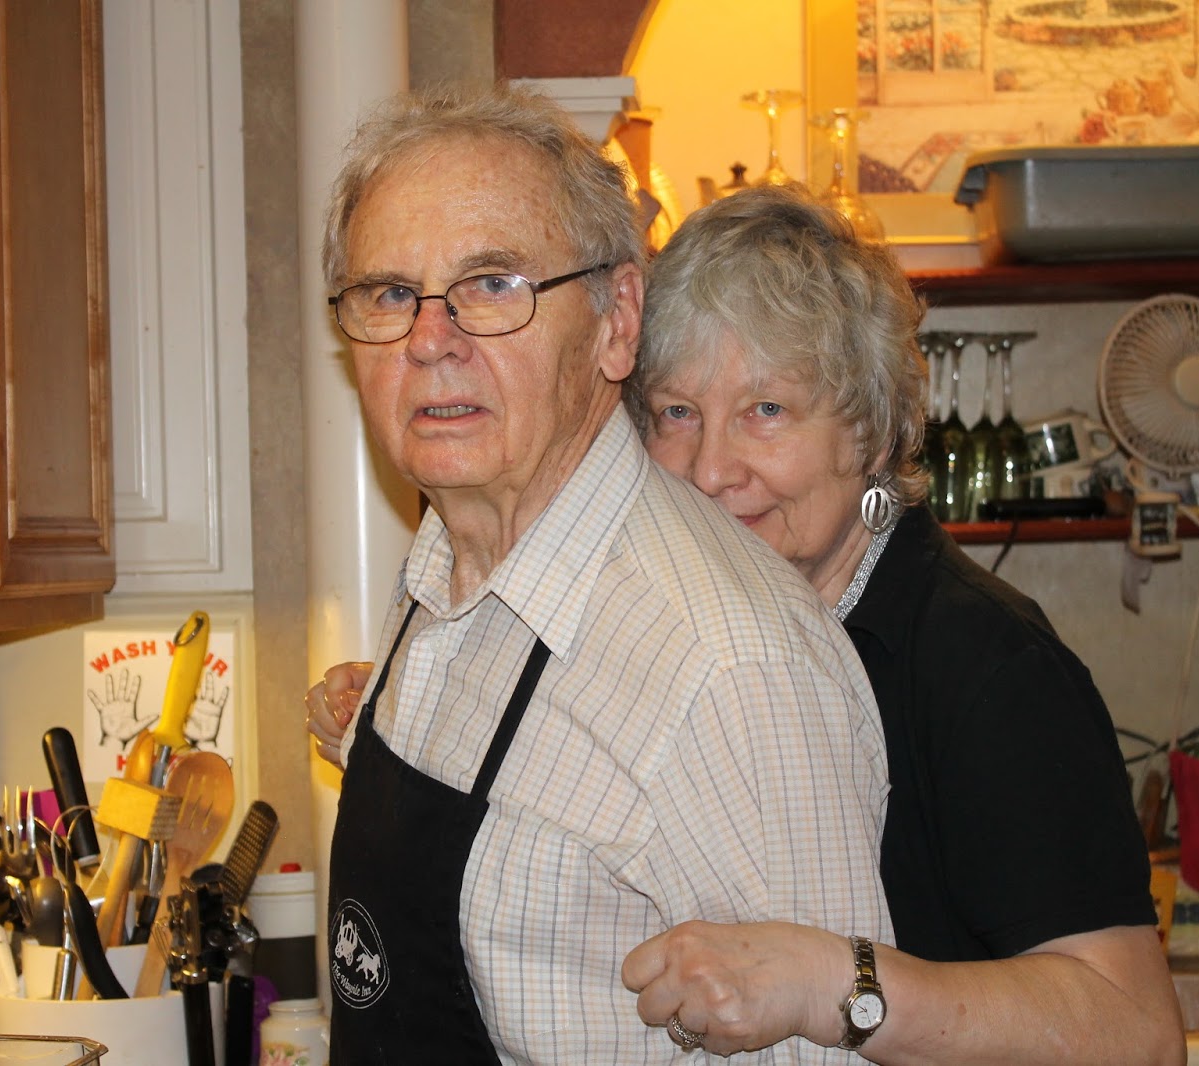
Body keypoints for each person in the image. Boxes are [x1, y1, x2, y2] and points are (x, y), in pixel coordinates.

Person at [311, 182, 1186, 1064]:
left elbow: (1137, 1034)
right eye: (677, 413)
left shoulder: (987, 668)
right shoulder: (664, 618)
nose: (709, 470)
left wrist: (837, 982)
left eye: (767, 411)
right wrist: (419, 705)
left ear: (875, 434)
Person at [315, 85, 891, 1064]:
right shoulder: (439, 570)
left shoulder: (732, 669)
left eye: (493, 284)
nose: (429, 340)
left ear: (617, 319)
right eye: (389, 294)